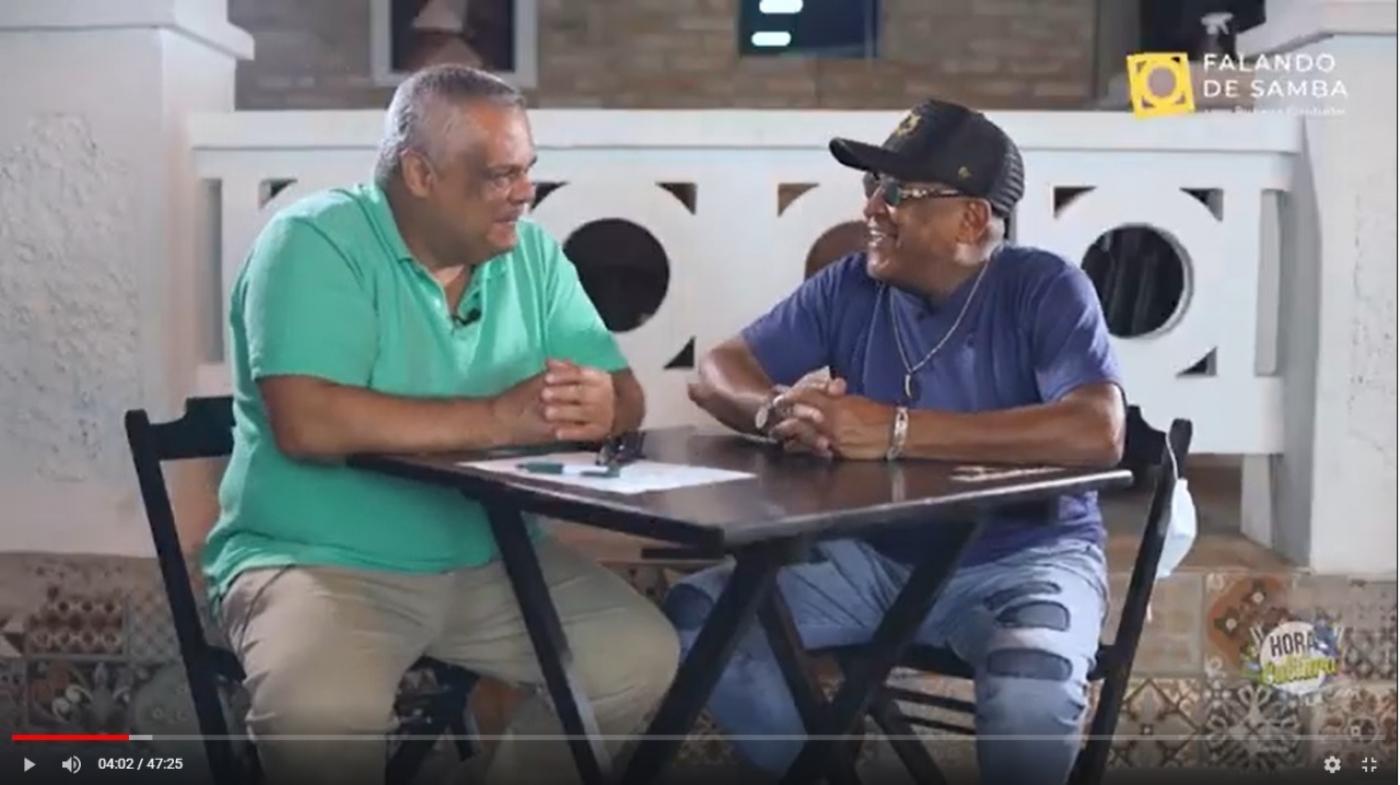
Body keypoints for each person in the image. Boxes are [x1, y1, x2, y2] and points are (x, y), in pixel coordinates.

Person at [204, 64, 678, 785]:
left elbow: (624, 391)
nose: (525, 192)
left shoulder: (535, 257)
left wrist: (609, 406)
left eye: (529, 171)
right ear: (420, 174)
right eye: (499, 175)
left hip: (493, 559)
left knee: (639, 654)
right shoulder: (312, 241)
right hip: (319, 560)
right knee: (322, 716)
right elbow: (307, 422)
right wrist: (495, 417)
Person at [673, 98, 1126, 785]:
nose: (871, 209)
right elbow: (716, 373)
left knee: (1031, 681)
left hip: (1026, 558)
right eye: (872, 188)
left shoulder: (1045, 288)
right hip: (874, 556)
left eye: (898, 193)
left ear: (973, 217)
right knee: (692, 618)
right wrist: (774, 409)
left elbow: (1098, 430)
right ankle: (820, 769)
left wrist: (895, 430)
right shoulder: (850, 286)